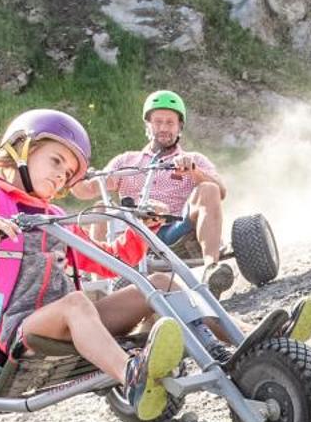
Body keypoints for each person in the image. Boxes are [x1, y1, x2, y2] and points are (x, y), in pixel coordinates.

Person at [0, 109, 187, 421]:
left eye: (69, 173)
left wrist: (145, 229)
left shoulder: (56, 217)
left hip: (67, 323)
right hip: (1, 341)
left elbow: (111, 262)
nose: (61, 175)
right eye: (56, 161)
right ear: (21, 150)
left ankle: (239, 352)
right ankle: (133, 376)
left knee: (161, 283)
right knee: (76, 303)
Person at [72, 89, 235, 291]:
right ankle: (99, 280)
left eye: (170, 122)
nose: (164, 128)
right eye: (158, 122)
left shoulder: (194, 159)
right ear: (148, 125)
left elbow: (220, 191)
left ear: (179, 127)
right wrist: (74, 173)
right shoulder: (127, 161)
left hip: (175, 232)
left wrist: (193, 171)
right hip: (133, 233)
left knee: (208, 188)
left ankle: (212, 269)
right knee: (100, 208)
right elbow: (86, 191)